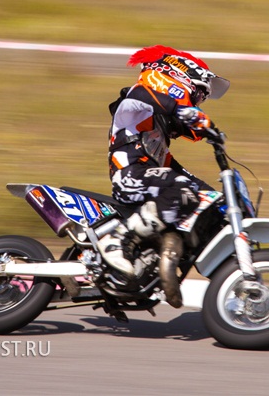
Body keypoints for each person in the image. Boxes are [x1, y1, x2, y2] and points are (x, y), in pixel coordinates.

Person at [98, 45, 229, 300]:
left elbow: (174, 168)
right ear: (175, 76)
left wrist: (214, 197)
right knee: (180, 187)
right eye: (198, 93)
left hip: (149, 179)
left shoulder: (156, 133)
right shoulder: (137, 98)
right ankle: (117, 241)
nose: (198, 101)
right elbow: (170, 105)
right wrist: (202, 123)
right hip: (130, 175)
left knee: (209, 200)